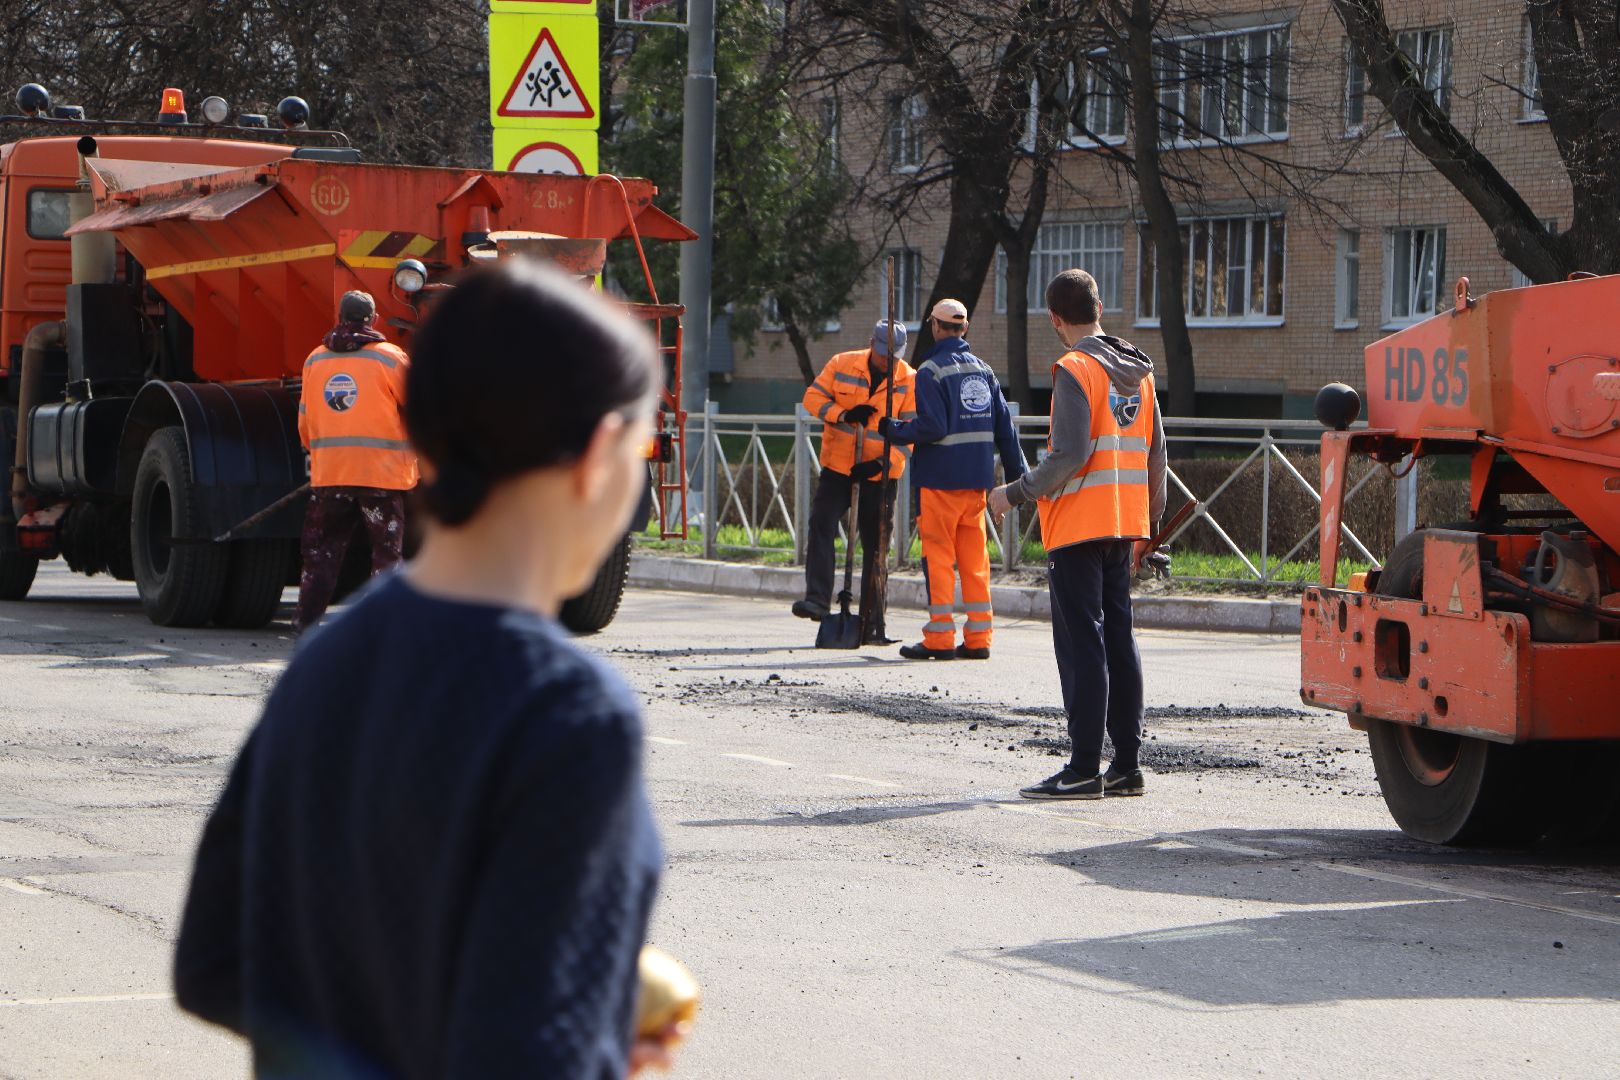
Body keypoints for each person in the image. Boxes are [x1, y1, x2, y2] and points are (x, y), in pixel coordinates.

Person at [174, 263, 677, 1078]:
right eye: (646, 443)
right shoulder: (571, 711)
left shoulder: (327, 658)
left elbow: (213, 962)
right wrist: (603, 1037)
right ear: (599, 452)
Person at [989, 269, 1166, 800]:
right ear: (1100, 306)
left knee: (1082, 645)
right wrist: (1149, 526)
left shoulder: (1074, 368)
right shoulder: (1139, 370)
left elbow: (1069, 454)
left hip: (1076, 526)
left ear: (1055, 319)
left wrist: (1014, 493)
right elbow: (1157, 454)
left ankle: (1084, 766)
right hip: (1123, 524)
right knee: (1119, 641)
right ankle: (1127, 766)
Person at [879, 299, 1025, 660]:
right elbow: (1006, 432)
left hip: (940, 482)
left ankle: (940, 639)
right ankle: (979, 639)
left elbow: (934, 427)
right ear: (965, 329)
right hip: (977, 484)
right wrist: (1017, 484)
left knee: (939, 558)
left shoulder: (929, 370)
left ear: (935, 327)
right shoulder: (984, 371)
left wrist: (894, 430)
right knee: (975, 561)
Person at [291, 290, 418, 634]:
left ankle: (306, 623)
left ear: (340, 319)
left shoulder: (315, 360)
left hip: (331, 476)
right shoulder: (389, 358)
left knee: (321, 555)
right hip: (382, 478)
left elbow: (305, 424)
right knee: (386, 556)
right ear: (374, 320)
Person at [792, 320, 916, 623]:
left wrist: (881, 465)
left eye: (894, 356)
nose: (889, 361)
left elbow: (913, 432)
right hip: (838, 467)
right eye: (884, 354)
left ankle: (872, 617)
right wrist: (844, 414)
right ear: (871, 343)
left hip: (879, 475)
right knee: (821, 524)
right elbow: (813, 398)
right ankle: (817, 599)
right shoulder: (842, 363)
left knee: (876, 542)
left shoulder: (909, 379)